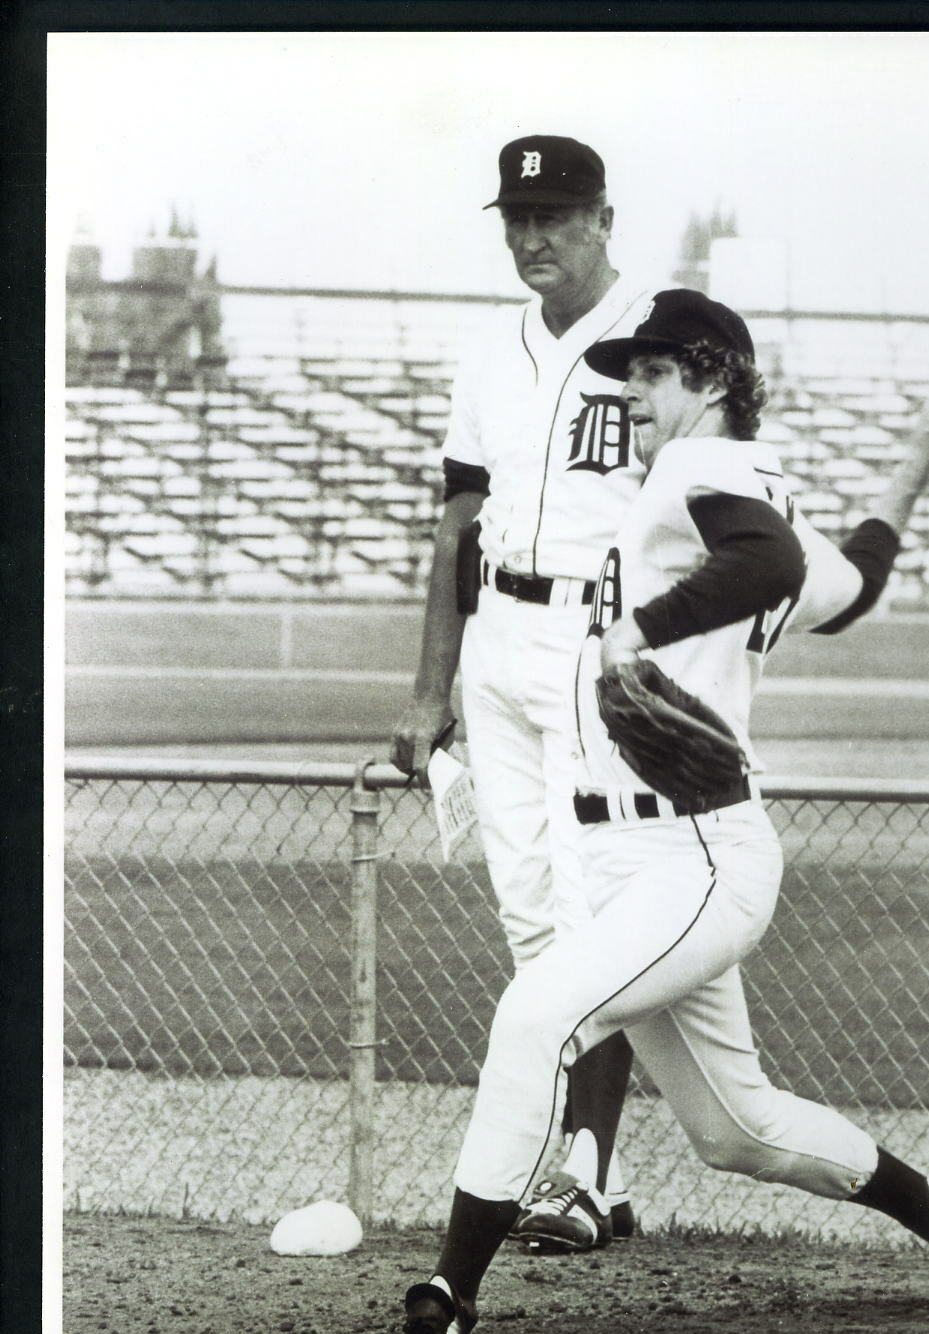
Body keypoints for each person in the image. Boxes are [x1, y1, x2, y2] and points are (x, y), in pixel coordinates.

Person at [365, 289, 929, 1334]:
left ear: (713, 378)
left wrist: (634, 630)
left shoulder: (691, 478)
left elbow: (764, 565)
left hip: (690, 858)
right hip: (651, 863)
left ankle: (442, 1309)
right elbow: (847, 586)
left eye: (656, 370)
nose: (630, 387)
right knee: (735, 1128)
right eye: (629, 370)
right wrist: (918, 450)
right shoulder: (728, 487)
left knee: (536, 1017)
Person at [390, 136, 658, 1250]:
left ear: (604, 219)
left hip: (603, 650)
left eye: (554, 216)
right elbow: (458, 521)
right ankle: (568, 1167)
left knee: (601, 910)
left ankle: (584, 1172)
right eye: (517, 217)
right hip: (499, 644)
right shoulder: (487, 350)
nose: (531, 237)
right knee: (535, 921)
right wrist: (426, 689)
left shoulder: (664, 337)